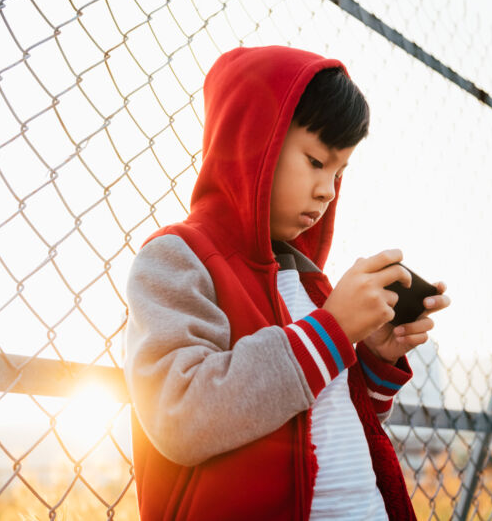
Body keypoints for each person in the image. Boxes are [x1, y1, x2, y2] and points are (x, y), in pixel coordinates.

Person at [122, 45, 451, 520]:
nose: (327, 190)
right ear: (254, 143)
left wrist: (374, 360)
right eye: (316, 162)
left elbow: (332, 420)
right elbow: (180, 414)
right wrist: (330, 332)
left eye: (339, 173)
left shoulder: (308, 281)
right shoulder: (179, 260)